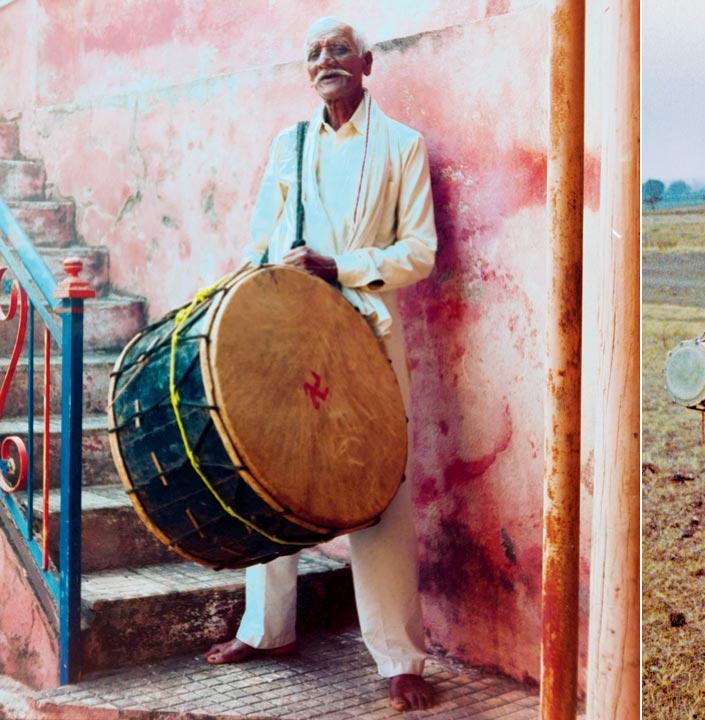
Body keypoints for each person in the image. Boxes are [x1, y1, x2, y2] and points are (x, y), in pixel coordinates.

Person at [202, 17, 439, 710]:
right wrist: (269, 281)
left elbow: (419, 251)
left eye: (338, 50)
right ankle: (267, 628)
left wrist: (344, 267)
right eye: (313, 54)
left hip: (365, 335)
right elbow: (259, 238)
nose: (325, 62)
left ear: (367, 63)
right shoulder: (290, 143)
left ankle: (401, 659)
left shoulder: (402, 146)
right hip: (288, 329)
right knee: (270, 469)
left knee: (380, 490)